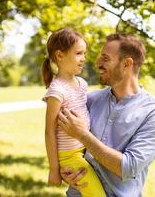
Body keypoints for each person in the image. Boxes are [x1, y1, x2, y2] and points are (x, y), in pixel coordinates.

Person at [58, 33, 155, 197]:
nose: (98, 63)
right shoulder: (89, 100)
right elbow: (65, 142)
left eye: (105, 59)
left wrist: (83, 134)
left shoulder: (154, 114)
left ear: (127, 64)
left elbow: (128, 167)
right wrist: (64, 170)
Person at [41, 27, 106, 197]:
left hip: (84, 150)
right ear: (60, 55)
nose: (83, 59)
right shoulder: (57, 91)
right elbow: (49, 131)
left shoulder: (82, 84)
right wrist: (54, 169)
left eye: (84, 53)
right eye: (78, 53)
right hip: (69, 156)